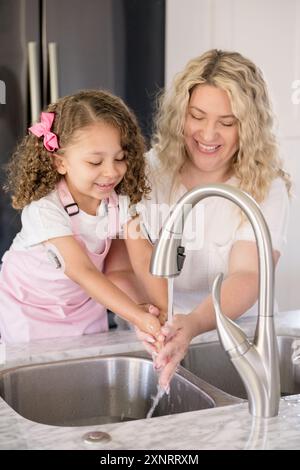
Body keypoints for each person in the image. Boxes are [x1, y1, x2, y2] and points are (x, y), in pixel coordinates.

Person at [107, 49, 291, 388]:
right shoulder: (146, 174)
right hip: (155, 337)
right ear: (181, 115)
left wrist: (191, 323)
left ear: (248, 127)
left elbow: (249, 274)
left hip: (237, 338)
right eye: (197, 116)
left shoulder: (266, 186)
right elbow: (117, 268)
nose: (208, 134)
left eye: (227, 122)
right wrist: (143, 314)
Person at [0, 89, 167, 343]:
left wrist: (162, 310)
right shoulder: (45, 209)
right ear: (60, 163)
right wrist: (138, 316)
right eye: (95, 163)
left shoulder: (118, 201)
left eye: (120, 158)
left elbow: (143, 258)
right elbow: (83, 271)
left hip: (82, 305)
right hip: (28, 307)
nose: (111, 172)